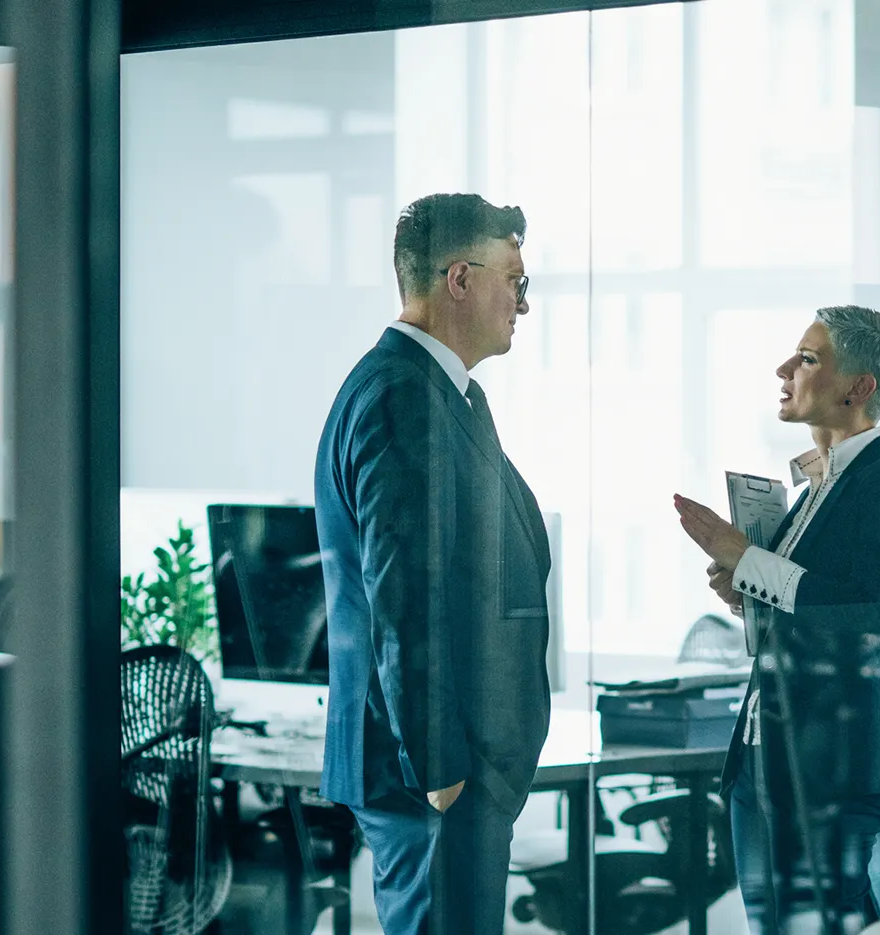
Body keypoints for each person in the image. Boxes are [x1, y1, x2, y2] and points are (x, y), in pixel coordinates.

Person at [314, 193, 552, 934]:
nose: (523, 301)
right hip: (432, 778)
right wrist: (442, 772)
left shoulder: (443, 395)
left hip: (450, 775)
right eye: (514, 280)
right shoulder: (400, 397)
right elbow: (405, 599)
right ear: (459, 279)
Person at [673, 305, 880, 931]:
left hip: (832, 766)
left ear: (859, 387)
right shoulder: (817, 488)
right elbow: (815, 603)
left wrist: (746, 559)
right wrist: (745, 590)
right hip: (766, 758)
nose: (783, 369)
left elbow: (868, 617)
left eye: (808, 359)